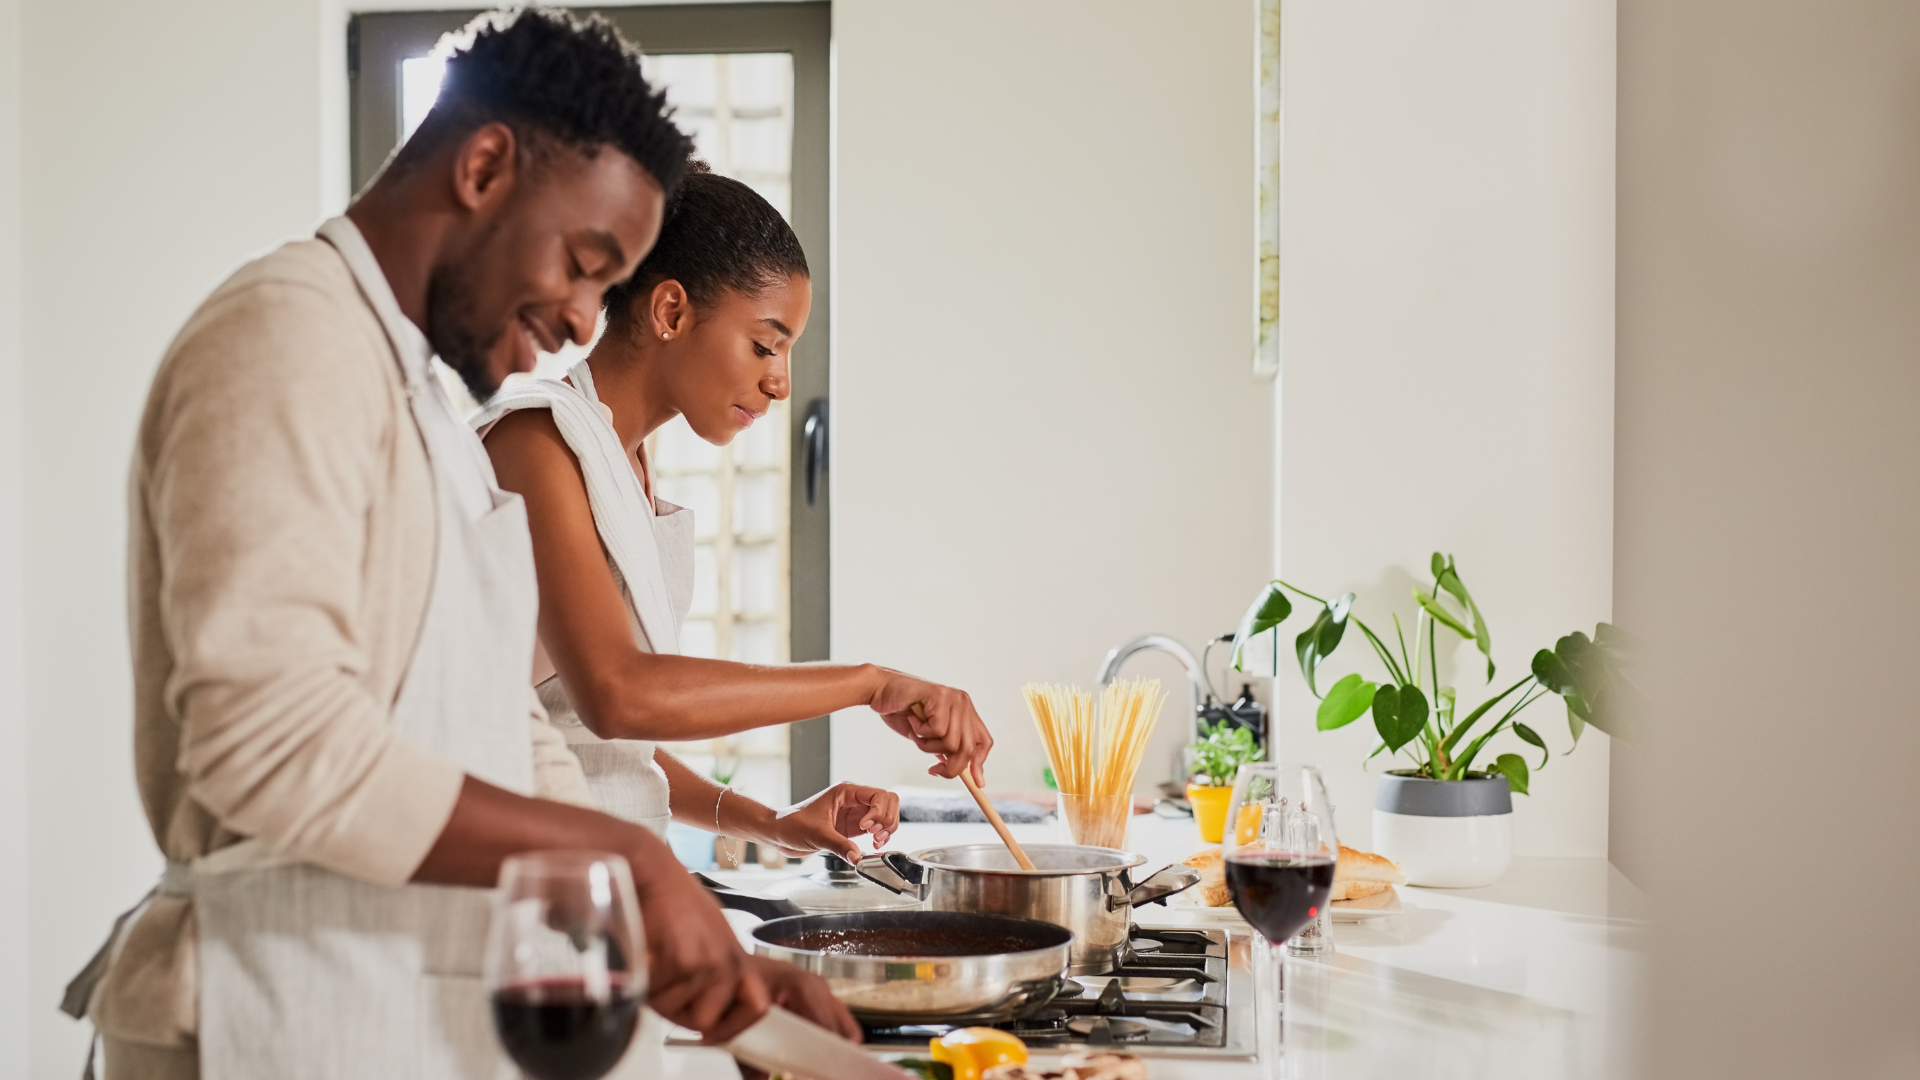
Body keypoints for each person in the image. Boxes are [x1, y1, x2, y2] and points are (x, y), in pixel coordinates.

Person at [63, 11, 851, 1080]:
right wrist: (616, 857)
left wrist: (647, 922)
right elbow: (266, 745)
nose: (583, 322)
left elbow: (498, 711)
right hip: (256, 1012)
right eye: (583, 264)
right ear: (484, 166)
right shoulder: (284, 335)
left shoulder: (426, 404)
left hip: (377, 1005)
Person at [474, 165, 995, 861]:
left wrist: (771, 823)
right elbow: (617, 695)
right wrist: (871, 684)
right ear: (670, 312)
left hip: (599, 883)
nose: (780, 382)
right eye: (764, 344)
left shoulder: (619, 464)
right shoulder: (536, 442)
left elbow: (595, 741)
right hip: (514, 889)